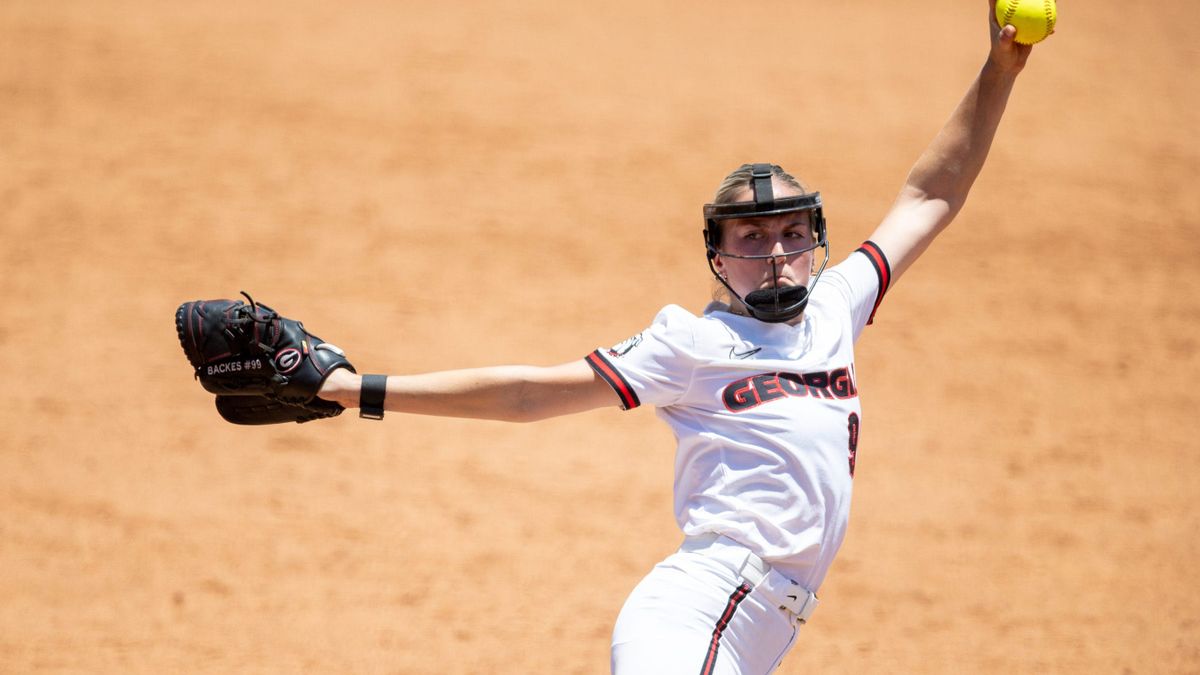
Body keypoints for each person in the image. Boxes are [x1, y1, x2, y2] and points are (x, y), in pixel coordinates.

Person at [316, 4, 1034, 673]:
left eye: (791, 233)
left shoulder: (837, 307)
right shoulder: (691, 342)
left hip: (752, 637)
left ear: (815, 241)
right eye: (752, 236)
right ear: (718, 256)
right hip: (693, 615)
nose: (777, 252)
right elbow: (530, 393)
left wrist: (999, 72)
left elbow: (932, 192)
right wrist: (355, 389)